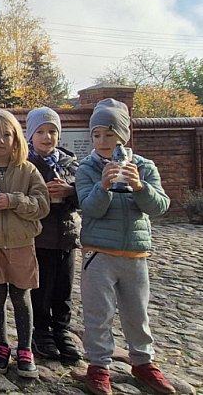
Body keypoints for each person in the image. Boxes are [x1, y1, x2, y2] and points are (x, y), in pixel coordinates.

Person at [76, 99, 176, 395]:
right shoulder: (88, 168)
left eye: (110, 134)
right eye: (97, 135)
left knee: (137, 313)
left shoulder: (144, 167)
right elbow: (89, 208)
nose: (103, 142)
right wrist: (102, 186)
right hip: (98, 253)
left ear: (124, 136)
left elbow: (160, 206)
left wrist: (141, 187)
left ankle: (143, 362)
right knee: (99, 313)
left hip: (135, 253)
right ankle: (98, 366)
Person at [0, 109, 49, 379]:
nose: (0, 140)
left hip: (20, 243)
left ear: (16, 139)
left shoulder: (28, 170)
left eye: (6, 134)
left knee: (20, 296)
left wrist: (14, 201)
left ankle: (25, 348)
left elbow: (42, 205)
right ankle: (1, 344)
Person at [24, 107, 82, 362]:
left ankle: (62, 330)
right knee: (42, 287)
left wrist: (70, 192)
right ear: (31, 135)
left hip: (67, 235)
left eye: (52, 131)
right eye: (41, 132)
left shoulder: (69, 162)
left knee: (64, 288)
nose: (47, 137)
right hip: (40, 236)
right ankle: (41, 331)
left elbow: (85, 194)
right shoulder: (26, 163)